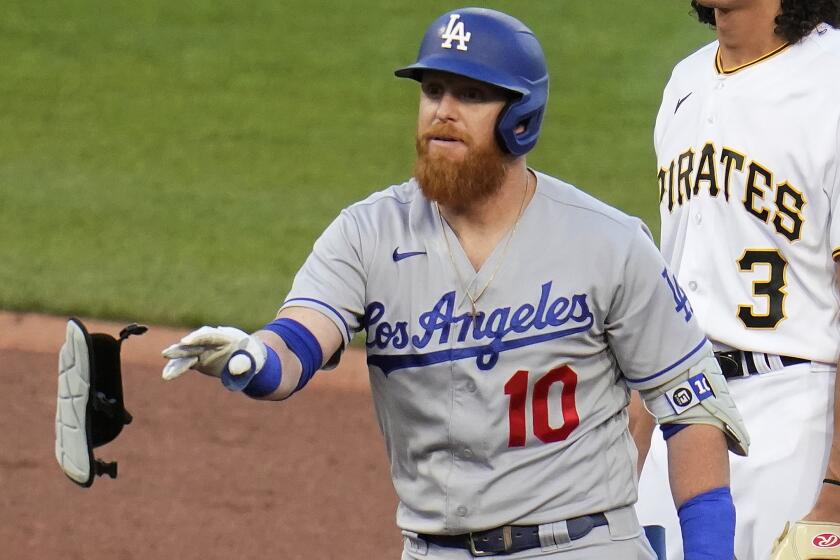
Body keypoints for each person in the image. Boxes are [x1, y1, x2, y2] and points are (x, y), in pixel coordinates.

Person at [162, 8, 748, 559]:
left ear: (522, 118)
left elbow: (691, 411)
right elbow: (299, 339)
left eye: (470, 95)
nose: (443, 110)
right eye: (432, 91)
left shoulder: (609, 242)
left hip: (584, 544)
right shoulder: (367, 234)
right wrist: (251, 359)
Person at [631, 2, 840, 559]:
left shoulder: (832, 82)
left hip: (794, 421)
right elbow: (677, 279)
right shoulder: (687, 80)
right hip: (681, 409)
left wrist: (838, 485)